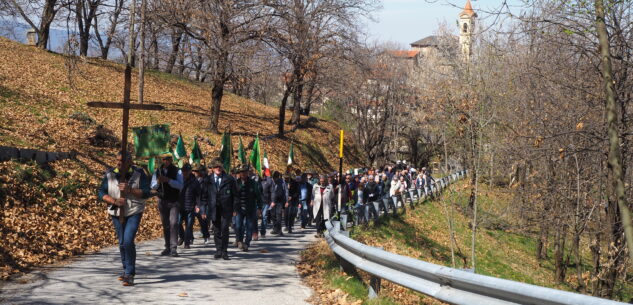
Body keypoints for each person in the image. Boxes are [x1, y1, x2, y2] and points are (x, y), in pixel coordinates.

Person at [98, 151, 151, 286]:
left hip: (134, 210)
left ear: (129, 162)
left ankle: (130, 273)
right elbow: (101, 192)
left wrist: (130, 190)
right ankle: (125, 269)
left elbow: (146, 192)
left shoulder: (139, 174)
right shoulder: (110, 174)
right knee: (122, 242)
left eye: (122, 161)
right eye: (117, 160)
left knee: (128, 240)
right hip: (116, 212)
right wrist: (113, 201)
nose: (118, 163)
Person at [205, 157, 237, 260]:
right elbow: (204, 196)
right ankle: (218, 250)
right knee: (217, 230)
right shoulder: (208, 180)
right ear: (213, 168)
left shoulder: (229, 179)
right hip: (214, 209)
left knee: (224, 229)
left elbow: (235, 195)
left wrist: (235, 209)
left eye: (219, 166)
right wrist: (203, 209)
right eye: (216, 166)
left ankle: (224, 251)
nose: (218, 168)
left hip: (226, 209)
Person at [151, 155, 184, 257]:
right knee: (165, 224)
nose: (165, 161)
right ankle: (167, 247)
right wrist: (158, 182)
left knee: (174, 223)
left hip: (174, 201)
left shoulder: (177, 171)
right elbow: (152, 186)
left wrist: (168, 180)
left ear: (171, 160)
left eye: (167, 160)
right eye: (164, 160)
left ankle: (173, 247)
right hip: (162, 200)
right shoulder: (157, 171)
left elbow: (181, 185)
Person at [234, 164, 262, 251]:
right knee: (238, 226)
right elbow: (233, 197)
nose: (243, 174)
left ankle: (247, 243)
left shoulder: (253, 183)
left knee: (249, 226)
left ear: (247, 173)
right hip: (239, 208)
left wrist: (259, 208)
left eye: (245, 172)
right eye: (241, 172)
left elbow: (258, 196)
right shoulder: (236, 183)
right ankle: (239, 240)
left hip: (250, 208)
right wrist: (233, 209)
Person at [178, 163, 200, 249]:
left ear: (190, 171)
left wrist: (198, 205)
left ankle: (187, 242)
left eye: (187, 171)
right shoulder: (179, 179)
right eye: (183, 171)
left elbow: (198, 195)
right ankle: (182, 237)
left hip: (190, 206)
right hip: (179, 205)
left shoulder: (195, 181)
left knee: (189, 225)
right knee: (178, 223)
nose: (185, 173)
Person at [192, 164, 211, 244]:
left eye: (196, 171)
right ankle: (189, 237)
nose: (194, 173)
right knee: (190, 221)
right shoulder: (193, 180)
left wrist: (200, 206)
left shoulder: (206, 180)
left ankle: (206, 235)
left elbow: (207, 194)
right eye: (194, 171)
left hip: (203, 202)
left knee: (203, 220)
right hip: (194, 202)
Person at [270, 171, 287, 236]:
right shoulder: (271, 182)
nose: (275, 179)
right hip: (271, 201)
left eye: (276, 178)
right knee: (273, 215)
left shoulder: (282, 182)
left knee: (278, 215)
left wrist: (285, 201)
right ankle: (275, 229)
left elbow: (285, 191)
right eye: (274, 178)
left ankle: (279, 230)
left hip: (279, 201)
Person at [260, 172, 274, 238]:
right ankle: (254, 232)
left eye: (263, 170)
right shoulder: (255, 179)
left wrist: (273, 201)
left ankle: (263, 232)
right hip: (256, 201)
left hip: (266, 201)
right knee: (254, 218)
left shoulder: (269, 180)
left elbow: (272, 191)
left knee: (264, 216)